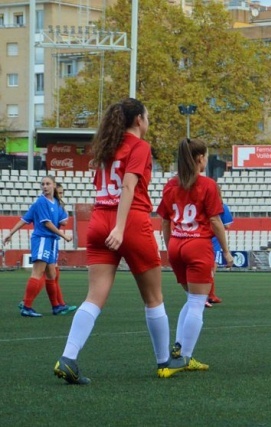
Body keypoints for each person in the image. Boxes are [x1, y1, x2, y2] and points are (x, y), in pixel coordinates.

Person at [53, 98, 186, 385]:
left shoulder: (105, 148)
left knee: (93, 297)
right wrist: (121, 227)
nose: (148, 122)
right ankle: (164, 361)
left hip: (98, 221)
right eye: (147, 117)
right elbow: (128, 186)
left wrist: (113, 226)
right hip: (130, 222)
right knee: (153, 298)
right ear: (138, 119)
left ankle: (68, 357)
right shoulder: (139, 146)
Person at [158, 138, 234, 371]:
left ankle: (179, 348)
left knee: (191, 300)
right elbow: (215, 221)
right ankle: (184, 358)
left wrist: (171, 248)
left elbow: (165, 221)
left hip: (177, 245)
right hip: (198, 246)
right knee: (198, 302)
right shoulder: (208, 185)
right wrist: (227, 252)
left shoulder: (171, 185)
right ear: (200, 158)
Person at [3, 176, 75, 317]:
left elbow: (26, 219)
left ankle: (56, 306)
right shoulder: (41, 201)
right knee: (38, 272)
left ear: (53, 185)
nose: (45, 186)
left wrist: (10, 233)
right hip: (42, 239)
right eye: (43, 184)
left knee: (51, 275)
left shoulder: (54, 202)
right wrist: (64, 235)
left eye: (48, 184)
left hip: (51, 241)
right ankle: (27, 306)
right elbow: (46, 223)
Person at [50, 183, 78, 315]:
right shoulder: (53, 205)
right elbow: (64, 221)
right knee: (47, 275)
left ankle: (61, 304)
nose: (61, 196)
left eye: (62, 193)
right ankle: (26, 302)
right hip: (48, 240)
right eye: (59, 193)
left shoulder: (56, 205)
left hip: (53, 240)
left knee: (53, 275)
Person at [207, 189, 231, 307]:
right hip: (214, 240)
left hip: (200, 238)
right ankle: (210, 296)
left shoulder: (202, 203)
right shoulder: (222, 206)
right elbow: (227, 225)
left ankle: (208, 295)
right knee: (211, 269)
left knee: (206, 269)